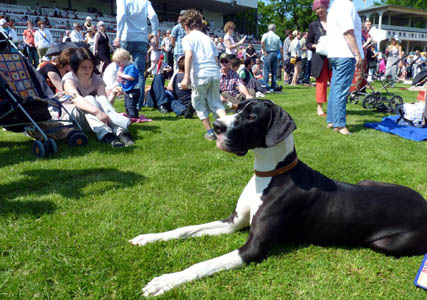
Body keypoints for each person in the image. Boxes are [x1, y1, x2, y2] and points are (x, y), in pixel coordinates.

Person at [62, 47, 135, 147]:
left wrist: (113, 95)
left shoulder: (97, 79)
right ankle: (106, 134)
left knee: (101, 99)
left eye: (90, 67)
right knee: (89, 98)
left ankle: (121, 132)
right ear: (76, 66)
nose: (88, 70)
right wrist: (97, 112)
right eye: (84, 67)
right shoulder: (69, 79)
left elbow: (104, 103)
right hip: (74, 120)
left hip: (94, 119)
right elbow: (76, 99)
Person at [180, 9, 227, 141]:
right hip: (214, 73)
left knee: (198, 103)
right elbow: (216, 58)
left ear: (186, 26)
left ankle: (210, 132)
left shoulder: (187, 38)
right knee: (216, 103)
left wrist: (186, 77)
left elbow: (188, 55)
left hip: (201, 74)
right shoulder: (208, 39)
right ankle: (228, 129)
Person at [326, 0, 363, 135]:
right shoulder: (346, 5)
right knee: (341, 90)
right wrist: (357, 54)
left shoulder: (334, 6)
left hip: (335, 54)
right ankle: (340, 124)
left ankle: (331, 120)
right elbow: (348, 32)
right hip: (345, 53)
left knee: (335, 89)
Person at [114, 0, 159, 111]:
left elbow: (122, 14)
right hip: (141, 39)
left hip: (126, 37)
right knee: (139, 72)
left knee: (121, 68)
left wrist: (117, 35)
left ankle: (122, 94)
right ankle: (138, 103)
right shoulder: (146, 2)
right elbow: (153, 16)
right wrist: (155, 35)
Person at [306, 0, 331, 116]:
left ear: (326, 7)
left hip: (333, 57)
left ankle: (335, 108)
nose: (320, 10)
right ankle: (319, 108)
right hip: (319, 59)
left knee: (336, 83)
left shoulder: (334, 23)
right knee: (321, 83)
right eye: (317, 9)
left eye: (321, 7)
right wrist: (318, 46)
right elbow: (308, 44)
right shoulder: (313, 25)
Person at [114, 48, 140, 119]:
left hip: (133, 90)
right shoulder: (124, 67)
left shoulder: (131, 67)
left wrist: (121, 75)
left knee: (131, 104)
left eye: (119, 62)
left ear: (125, 59)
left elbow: (132, 77)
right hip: (128, 90)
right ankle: (129, 115)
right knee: (127, 104)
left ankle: (133, 116)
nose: (119, 65)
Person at [261, 24, 283, 91]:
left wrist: (264, 51)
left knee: (266, 70)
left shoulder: (265, 35)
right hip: (275, 53)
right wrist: (282, 56)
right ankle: (273, 86)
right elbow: (281, 48)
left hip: (268, 52)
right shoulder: (277, 37)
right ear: (274, 29)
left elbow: (262, 42)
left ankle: (266, 86)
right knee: (274, 71)